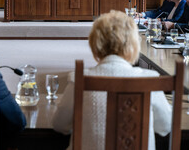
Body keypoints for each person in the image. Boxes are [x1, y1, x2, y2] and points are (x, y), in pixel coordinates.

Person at [52, 10, 171, 150]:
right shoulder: (149, 80)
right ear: (134, 44)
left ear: (95, 43)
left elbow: (60, 125)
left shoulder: (80, 79)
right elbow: (166, 126)